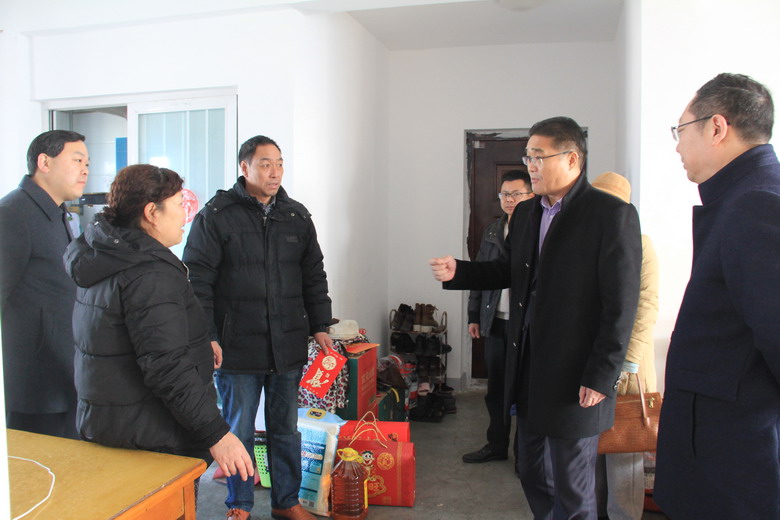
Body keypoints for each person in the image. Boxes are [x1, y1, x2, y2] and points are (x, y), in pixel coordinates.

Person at [430, 116, 641, 519]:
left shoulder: (610, 214)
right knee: (529, 470)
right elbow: (508, 271)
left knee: (573, 487)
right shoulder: (527, 213)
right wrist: (461, 271)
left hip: (577, 376)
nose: (531, 166)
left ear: (572, 158)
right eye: (528, 157)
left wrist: (602, 374)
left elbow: (621, 305)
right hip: (528, 366)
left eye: (539, 157)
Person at [63, 164, 253, 489]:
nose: (185, 215)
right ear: (152, 213)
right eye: (179, 204)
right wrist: (216, 433)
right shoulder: (148, 273)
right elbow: (167, 367)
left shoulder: (103, 255)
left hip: (112, 425)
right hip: (152, 436)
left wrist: (197, 344)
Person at [183, 135, 333, 520]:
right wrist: (208, 336)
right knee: (238, 431)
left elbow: (313, 275)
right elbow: (197, 281)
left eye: (279, 163)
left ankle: (286, 502)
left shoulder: (296, 216)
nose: (274, 172)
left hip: (286, 343)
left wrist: (320, 324)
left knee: (286, 430)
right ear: (244, 167)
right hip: (236, 347)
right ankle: (239, 504)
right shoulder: (217, 215)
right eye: (265, 164)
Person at [654, 73, 780, 519]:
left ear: (717, 127)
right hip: (721, 445)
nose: (677, 146)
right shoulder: (742, 197)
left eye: (680, 130)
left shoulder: (757, 203)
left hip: (732, 458)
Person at [0, 130, 89, 439]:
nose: (85, 170)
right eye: (77, 160)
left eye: (87, 163)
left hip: (63, 375)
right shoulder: (13, 215)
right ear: (44, 163)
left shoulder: (58, 213)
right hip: (34, 390)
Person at [592, 172, 659, 520]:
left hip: (627, 365)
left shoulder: (642, 244)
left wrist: (628, 361)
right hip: (590, 360)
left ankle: (623, 516)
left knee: (623, 447)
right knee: (590, 447)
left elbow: (647, 304)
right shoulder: (585, 242)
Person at [463, 169, 534, 464]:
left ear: (531, 195)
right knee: (496, 390)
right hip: (496, 321)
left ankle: (524, 455)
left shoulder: (538, 229)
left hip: (526, 325)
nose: (509, 200)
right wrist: (474, 315)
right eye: (505, 194)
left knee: (526, 391)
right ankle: (496, 445)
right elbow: (480, 274)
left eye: (516, 194)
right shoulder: (493, 231)